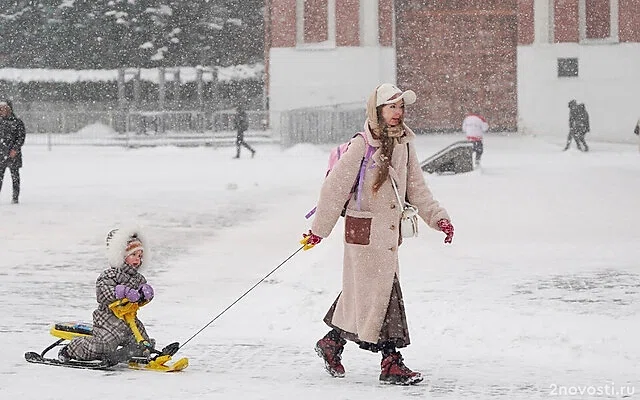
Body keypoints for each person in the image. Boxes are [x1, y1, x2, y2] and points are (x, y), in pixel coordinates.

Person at [300, 83, 455, 385]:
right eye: (391, 107)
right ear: (377, 110)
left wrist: (439, 218)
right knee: (384, 294)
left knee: (366, 294)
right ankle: (391, 362)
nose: (398, 113)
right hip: (364, 233)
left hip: (386, 236)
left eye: (401, 107)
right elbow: (334, 190)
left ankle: (332, 343)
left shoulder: (404, 144)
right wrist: (319, 230)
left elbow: (417, 189)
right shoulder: (362, 144)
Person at [58, 227, 156, 365]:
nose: (137, 260)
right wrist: (122, 292)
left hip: (130, 322)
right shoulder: (110, 275)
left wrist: (146, 294)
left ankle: (133, 352)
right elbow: (102, 293)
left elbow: (139, 299)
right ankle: (71, 349)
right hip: (108, 321)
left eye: (140, 256)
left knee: (143, 342)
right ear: (121, 255)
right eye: (133, 255)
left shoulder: (139, 278)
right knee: (103, 346)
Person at [0, 99, 26, 204]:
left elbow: (21, 137)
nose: (1, 111)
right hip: (1, 154)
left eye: (3, 109)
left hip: (13, 155)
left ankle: (15, 198)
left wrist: (15, 149)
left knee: (15, 177)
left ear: (9, 109)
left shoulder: (17, 122)